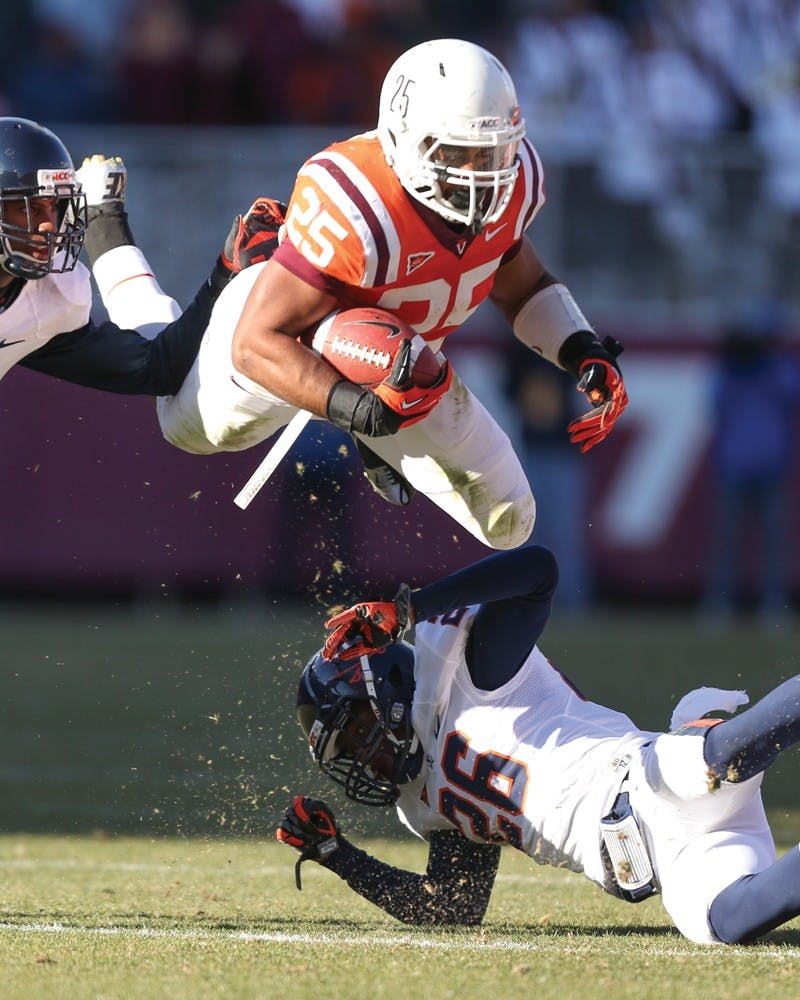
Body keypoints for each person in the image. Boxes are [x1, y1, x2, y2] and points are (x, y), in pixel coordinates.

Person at [154, 38, 629, 551]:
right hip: (293, 337)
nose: (482, 174)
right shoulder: (360, 204)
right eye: (459, 153)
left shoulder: (514, 185)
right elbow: (254, 342)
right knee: (188, 429)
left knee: (511, 524)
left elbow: (523, 283)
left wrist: (581, 348)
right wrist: (354, 410)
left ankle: (373, 403)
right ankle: (148, 253)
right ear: (406, 139)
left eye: (493, 152)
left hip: (404, 370)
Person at [277, 544, 800, 946]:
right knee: (728, 922)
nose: (362, 760)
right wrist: (337, 855)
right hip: (669, 860)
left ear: (385, 689)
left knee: (723, 758)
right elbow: (450, 909)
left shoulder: (467, 672)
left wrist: (414, 608)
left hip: (644, 779)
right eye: (345, 753)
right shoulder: (422, 802)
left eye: (357, 734)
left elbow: (537, 571)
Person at [0, 116, 257, 399]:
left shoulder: (49, 299)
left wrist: (223, 273)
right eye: (30, 209)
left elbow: (157, 369)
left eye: (55, 206)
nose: (49, 225)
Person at [701, 313, 800, 625]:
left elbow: (792, 390)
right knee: (726, 542)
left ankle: (774, 605)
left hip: (770, 470)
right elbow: (713, 401)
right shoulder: (729, 373)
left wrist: (765, 361)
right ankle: (720, 604)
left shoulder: (777, 370)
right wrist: (738, 363)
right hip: (734, 468)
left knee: (773, 543)